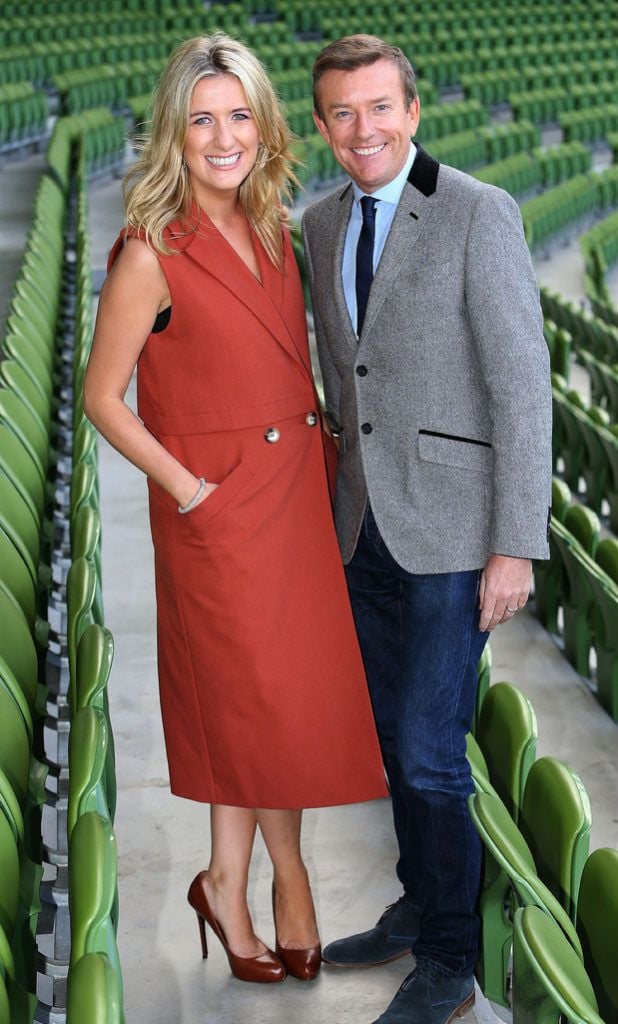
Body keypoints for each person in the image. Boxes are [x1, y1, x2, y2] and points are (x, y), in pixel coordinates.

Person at [83, 33, 388, 988]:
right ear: (175, 130)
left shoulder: (274, 227)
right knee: (248, 702)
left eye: (240, 115)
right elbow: (101, 396)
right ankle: (273, 880)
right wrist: (187, 491)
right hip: (216, 510)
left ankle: (233, 878)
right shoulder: (148, 250)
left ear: (265, 124)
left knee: (275, 708)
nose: (223, 137)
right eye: (202, 119)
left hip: (294, 496)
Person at [301, 34, 552, 1024]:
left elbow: (522, 382)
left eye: (378, 108)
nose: (362, 129)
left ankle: (451, 957)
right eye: (342, 113)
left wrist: (514, 540)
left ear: (412, 111)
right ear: (323, 124)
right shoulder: (318, 225)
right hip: (364, 525)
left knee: (433, 748)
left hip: (456, 531)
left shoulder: (479, 212)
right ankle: (418, 903)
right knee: (387, 739)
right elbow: (341, 377)